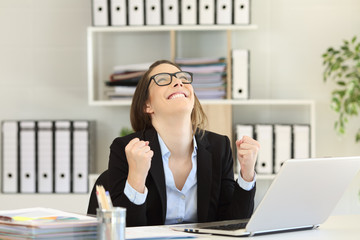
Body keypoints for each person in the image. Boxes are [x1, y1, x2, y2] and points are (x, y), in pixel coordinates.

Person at [108, 60, 260, 227]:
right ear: (147, 105)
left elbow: (233, 225)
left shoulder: (219, 147)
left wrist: (247, 175)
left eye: (182, 77)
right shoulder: (126, 149)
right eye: (163, 79)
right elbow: (122, 231)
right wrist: (136, 178)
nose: (178, 82)